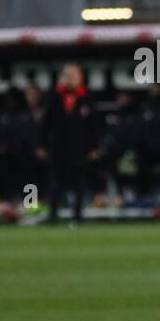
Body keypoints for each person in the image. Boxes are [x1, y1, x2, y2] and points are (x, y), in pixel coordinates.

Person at [42, 63, 99, 223]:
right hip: (58, 148)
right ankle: (52, 215)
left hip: (79, 148)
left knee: (80, 182)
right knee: (55, 183)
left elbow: (94, 126)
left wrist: (94, 147)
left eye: (73, 75)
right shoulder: (54, 97)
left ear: (80, 77)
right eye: (67, 75)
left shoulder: (87, 97)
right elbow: (45, 124)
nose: (70, 79)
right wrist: (42, 145)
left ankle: (78, 215)